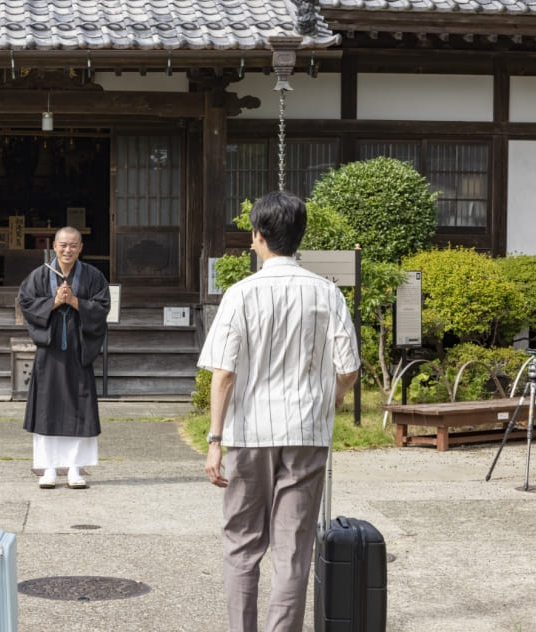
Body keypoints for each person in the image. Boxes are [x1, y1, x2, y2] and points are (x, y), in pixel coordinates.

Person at [198, 190, 360, 632]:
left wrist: (215, 440)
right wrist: (334, 397)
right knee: (293, 545)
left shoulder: (240, 294)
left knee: (241, 542)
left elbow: (225, 373)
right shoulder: (327, 293)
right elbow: (348, 368)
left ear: (258, 236)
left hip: (250, 432)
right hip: (308, 431)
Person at [18, 226, 110, 489]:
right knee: (47, 408)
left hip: (79, 351)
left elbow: (102, 307)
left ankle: (74, 469)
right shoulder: (39, 276)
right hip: (50, 352)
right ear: (53, 246)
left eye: (73, 245)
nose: (67, 250)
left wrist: (75, 302)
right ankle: (48, 469)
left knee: (79, 408)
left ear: (81, 247)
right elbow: (26, 303)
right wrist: (55, 302)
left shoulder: (93, 276)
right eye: (63, 245)